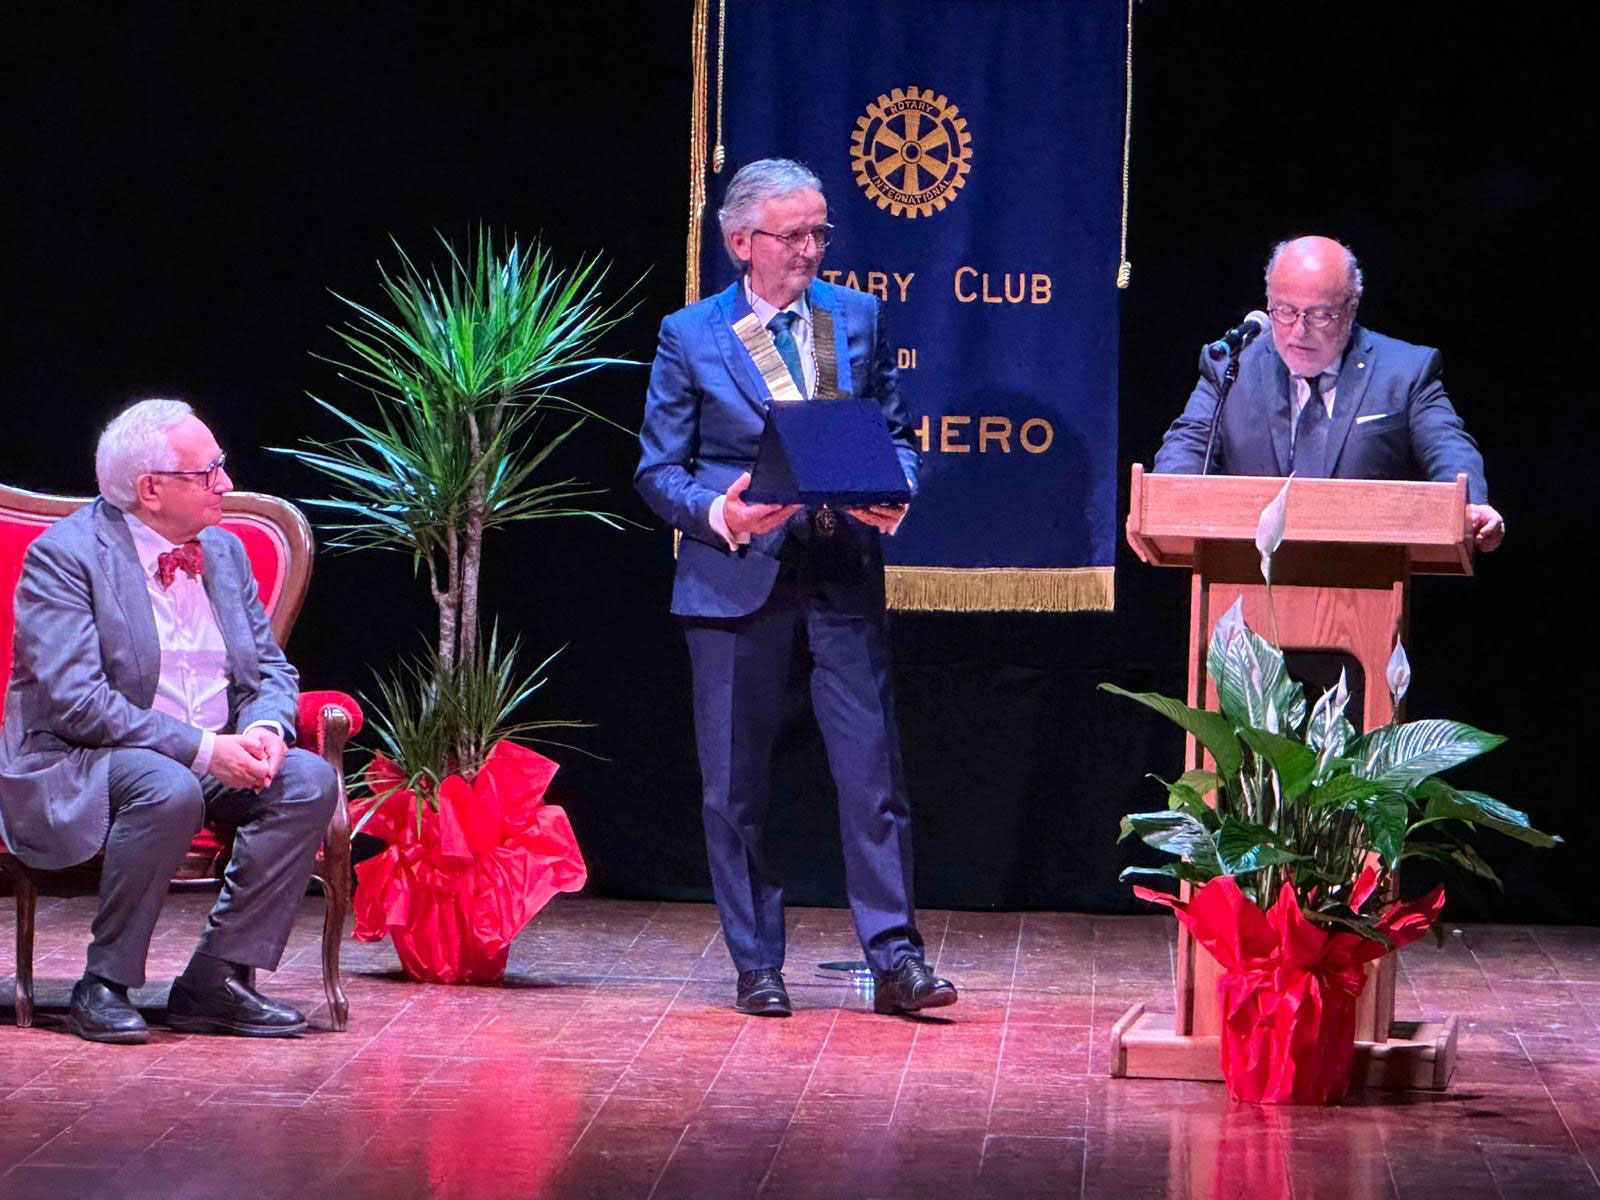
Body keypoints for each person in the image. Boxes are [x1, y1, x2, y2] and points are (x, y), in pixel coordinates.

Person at [635, 158, 956, 1018]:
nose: (812, 249)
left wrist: (898, 486)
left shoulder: (855, 317)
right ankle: (757, 964)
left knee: (872, 778)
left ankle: (897, 961)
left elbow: (895, 435)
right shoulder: (690, 334)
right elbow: (658, 471)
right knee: (734, 787)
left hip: (840, 573)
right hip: (736, 580)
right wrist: (722, 513)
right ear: (742, 241)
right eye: (795, 235)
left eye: (820, 232)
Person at [0, 399, 337, 1043]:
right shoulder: (66, 557)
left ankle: (216, 979)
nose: (225, 484)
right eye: (206, 473)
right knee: (167, 785)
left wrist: (264, 730)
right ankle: (103, 984)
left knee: (305, 780)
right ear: (150, 489)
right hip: (81, 758)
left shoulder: (225, 553)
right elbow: (77, 703)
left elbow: (270, 671)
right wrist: (207, 750)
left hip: (206, 753)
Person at [1153, 235, 1505, 551]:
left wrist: (1470, 506)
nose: (1299, 331)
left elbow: (1446, 442)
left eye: (1320, 315)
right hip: (1242, 577)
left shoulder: (1405, 372)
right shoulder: (1232, 368)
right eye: (1285, 311)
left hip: (1366, 577)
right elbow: (1188, 443)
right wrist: (1163, 503)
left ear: (1352, 306)